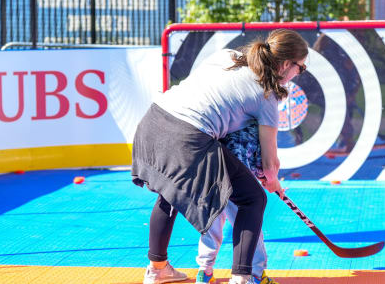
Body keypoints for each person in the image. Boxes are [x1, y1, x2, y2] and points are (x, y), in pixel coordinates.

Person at [131, 29, 309, 284]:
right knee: (252, 199)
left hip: (153, 122)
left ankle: (157, 269)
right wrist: (274, 183)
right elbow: (270, 165)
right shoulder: (266, 95)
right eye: (300, 68)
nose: (298, 75)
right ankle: (242, 277)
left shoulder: (227, 56)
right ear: (284, 64)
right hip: (188, 136)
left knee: (169, 192)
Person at [195, 124, 279, 284]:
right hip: (236, 182)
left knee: (211, 224)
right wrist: (271, 180)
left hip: (210, 174)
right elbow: (262, 163)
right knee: (249, 226)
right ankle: (256, 274)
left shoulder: (228, 117)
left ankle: (204, 272)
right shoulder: (258, 123)